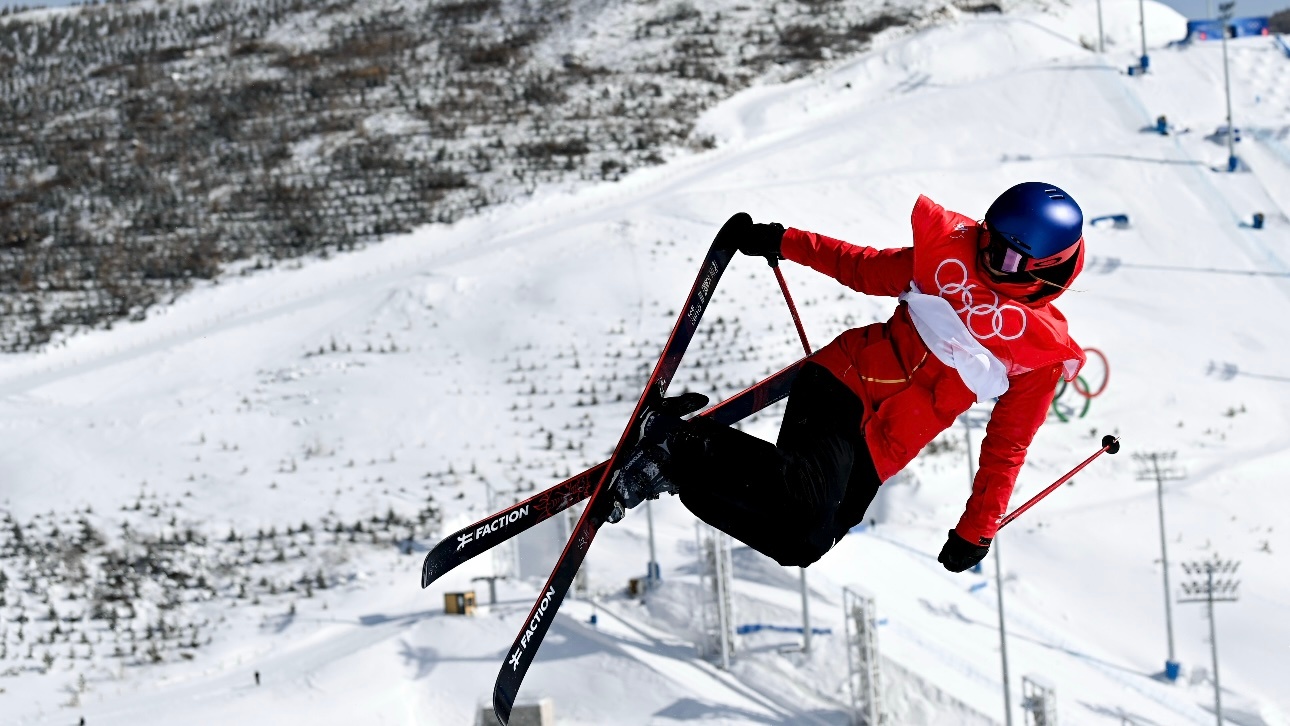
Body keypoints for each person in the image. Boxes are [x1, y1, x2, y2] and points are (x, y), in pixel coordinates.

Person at [611, 182, 1087, 573]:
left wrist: (977, 527)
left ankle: (679, 464)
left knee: (800, 545)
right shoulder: (948, 261)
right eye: (986, 237)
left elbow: (1009, 445)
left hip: (887, 444)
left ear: (1044, 270)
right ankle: (679, 444)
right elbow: (860, 267)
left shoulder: (1038, 353)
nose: (986, 257)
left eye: (1005, 258)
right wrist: (783, 240)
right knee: (805, 505)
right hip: (846, 381)